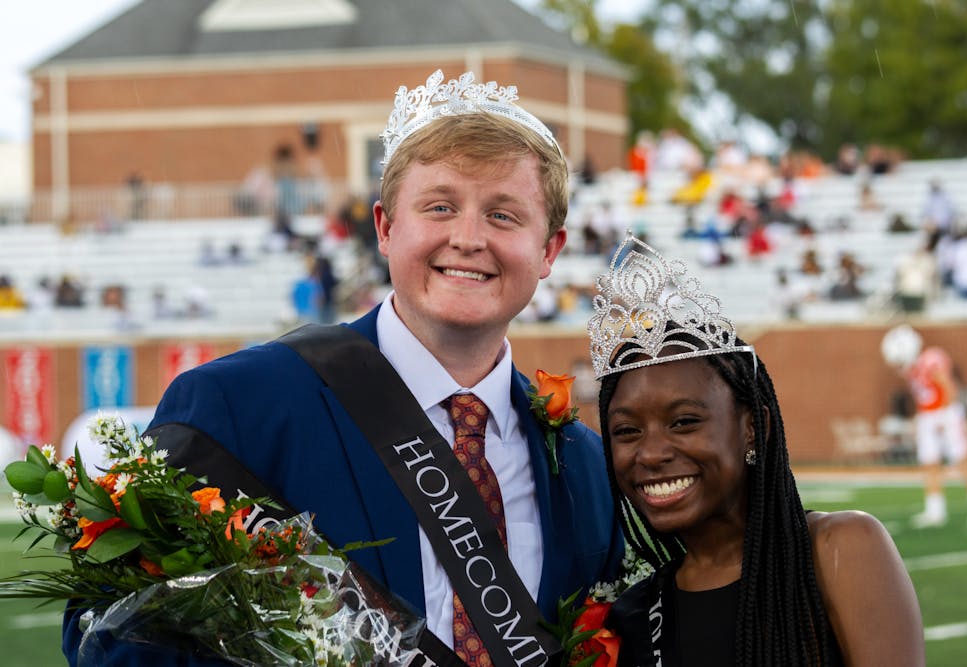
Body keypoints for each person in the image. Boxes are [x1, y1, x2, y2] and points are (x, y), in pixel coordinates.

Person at [62, 68, 623, 666]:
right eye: (439, 206)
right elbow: (110, 634)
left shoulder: (585, 469)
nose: (468, 237)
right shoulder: (240, 405)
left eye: (503, 215)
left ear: (549, 252)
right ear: (384, 228)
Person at [590, 233, 924, 666]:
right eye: (627, 431)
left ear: (753, 428)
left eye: (684, 422)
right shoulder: (632, 616)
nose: (651, 453)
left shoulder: (838, 550)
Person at [881, 324, 967, 529]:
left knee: (963, 461)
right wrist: (921, 418)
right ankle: (935, 511)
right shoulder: (913, 369)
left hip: (946, 413)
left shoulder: (931, 359)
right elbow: (922, 396)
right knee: (930, 463)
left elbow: (950, 389)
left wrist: (943, 417)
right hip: (929, 417)